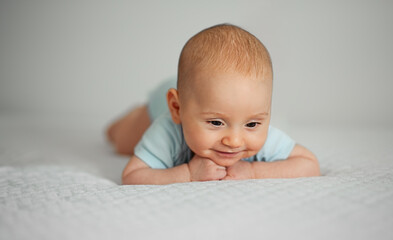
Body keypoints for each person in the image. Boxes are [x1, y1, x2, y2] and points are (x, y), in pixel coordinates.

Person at [106, 24, 320, 185]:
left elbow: (309, 164)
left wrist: (254, 171)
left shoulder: (257, 133)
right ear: (177, 108)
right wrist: (189, 173)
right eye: (216, 122)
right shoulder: (167, 130)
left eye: (252, 124)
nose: (235, 141)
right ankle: (130, 117)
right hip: (157, 106)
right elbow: (132, 176)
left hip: (194, 93)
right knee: (122, 141)